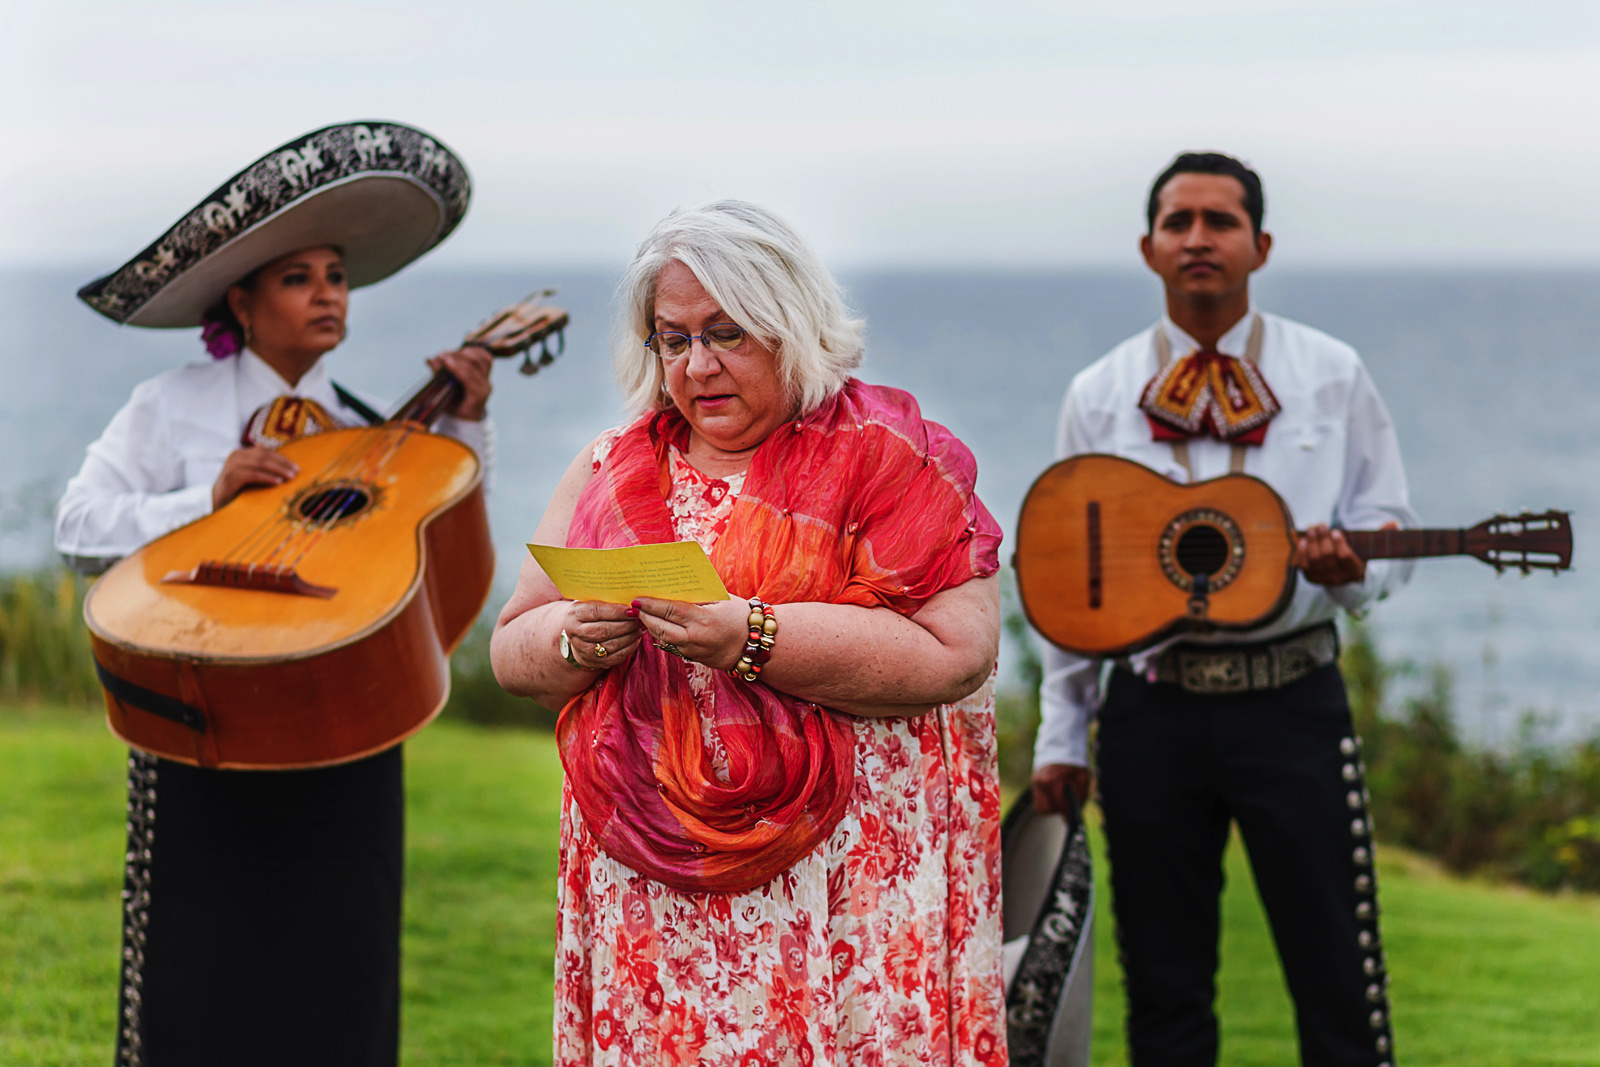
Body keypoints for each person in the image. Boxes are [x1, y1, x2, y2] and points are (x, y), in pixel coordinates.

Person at [491, 200, 1007, 1065]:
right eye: (673, 337)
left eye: (728, 333)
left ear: (791, 324)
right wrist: (571, 641)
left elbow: (958, 654)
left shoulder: (892, 458)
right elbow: (514, 644)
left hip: (848, 888)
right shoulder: (612, 464)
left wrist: (749, 635)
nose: (697, 365)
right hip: (649, 888)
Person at [56, 121, 493, 1067]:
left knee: (344, 972)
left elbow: (441, 555)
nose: (328, 292)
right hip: (205, 715)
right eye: (299, 277)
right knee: (198, 971)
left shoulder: (367, 433)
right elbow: (77, 523)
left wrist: (465, 421)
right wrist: (202, 501)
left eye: (336, 274)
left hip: (345, 724)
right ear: (242, 302)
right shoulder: (169, 405)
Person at [1030, 152, 1417, 1067]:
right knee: (1164, 994)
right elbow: (1067, 574)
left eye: (1221, 220)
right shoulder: (1099, 391)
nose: (1198, 238)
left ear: (1261, 244)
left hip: (1294, 706)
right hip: (1151, 712)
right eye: (1179, 222)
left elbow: (1386, 525)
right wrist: (1061, 734)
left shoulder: (1332, 373)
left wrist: (1348, 567)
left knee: (1340, 980)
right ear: (1149, 247)